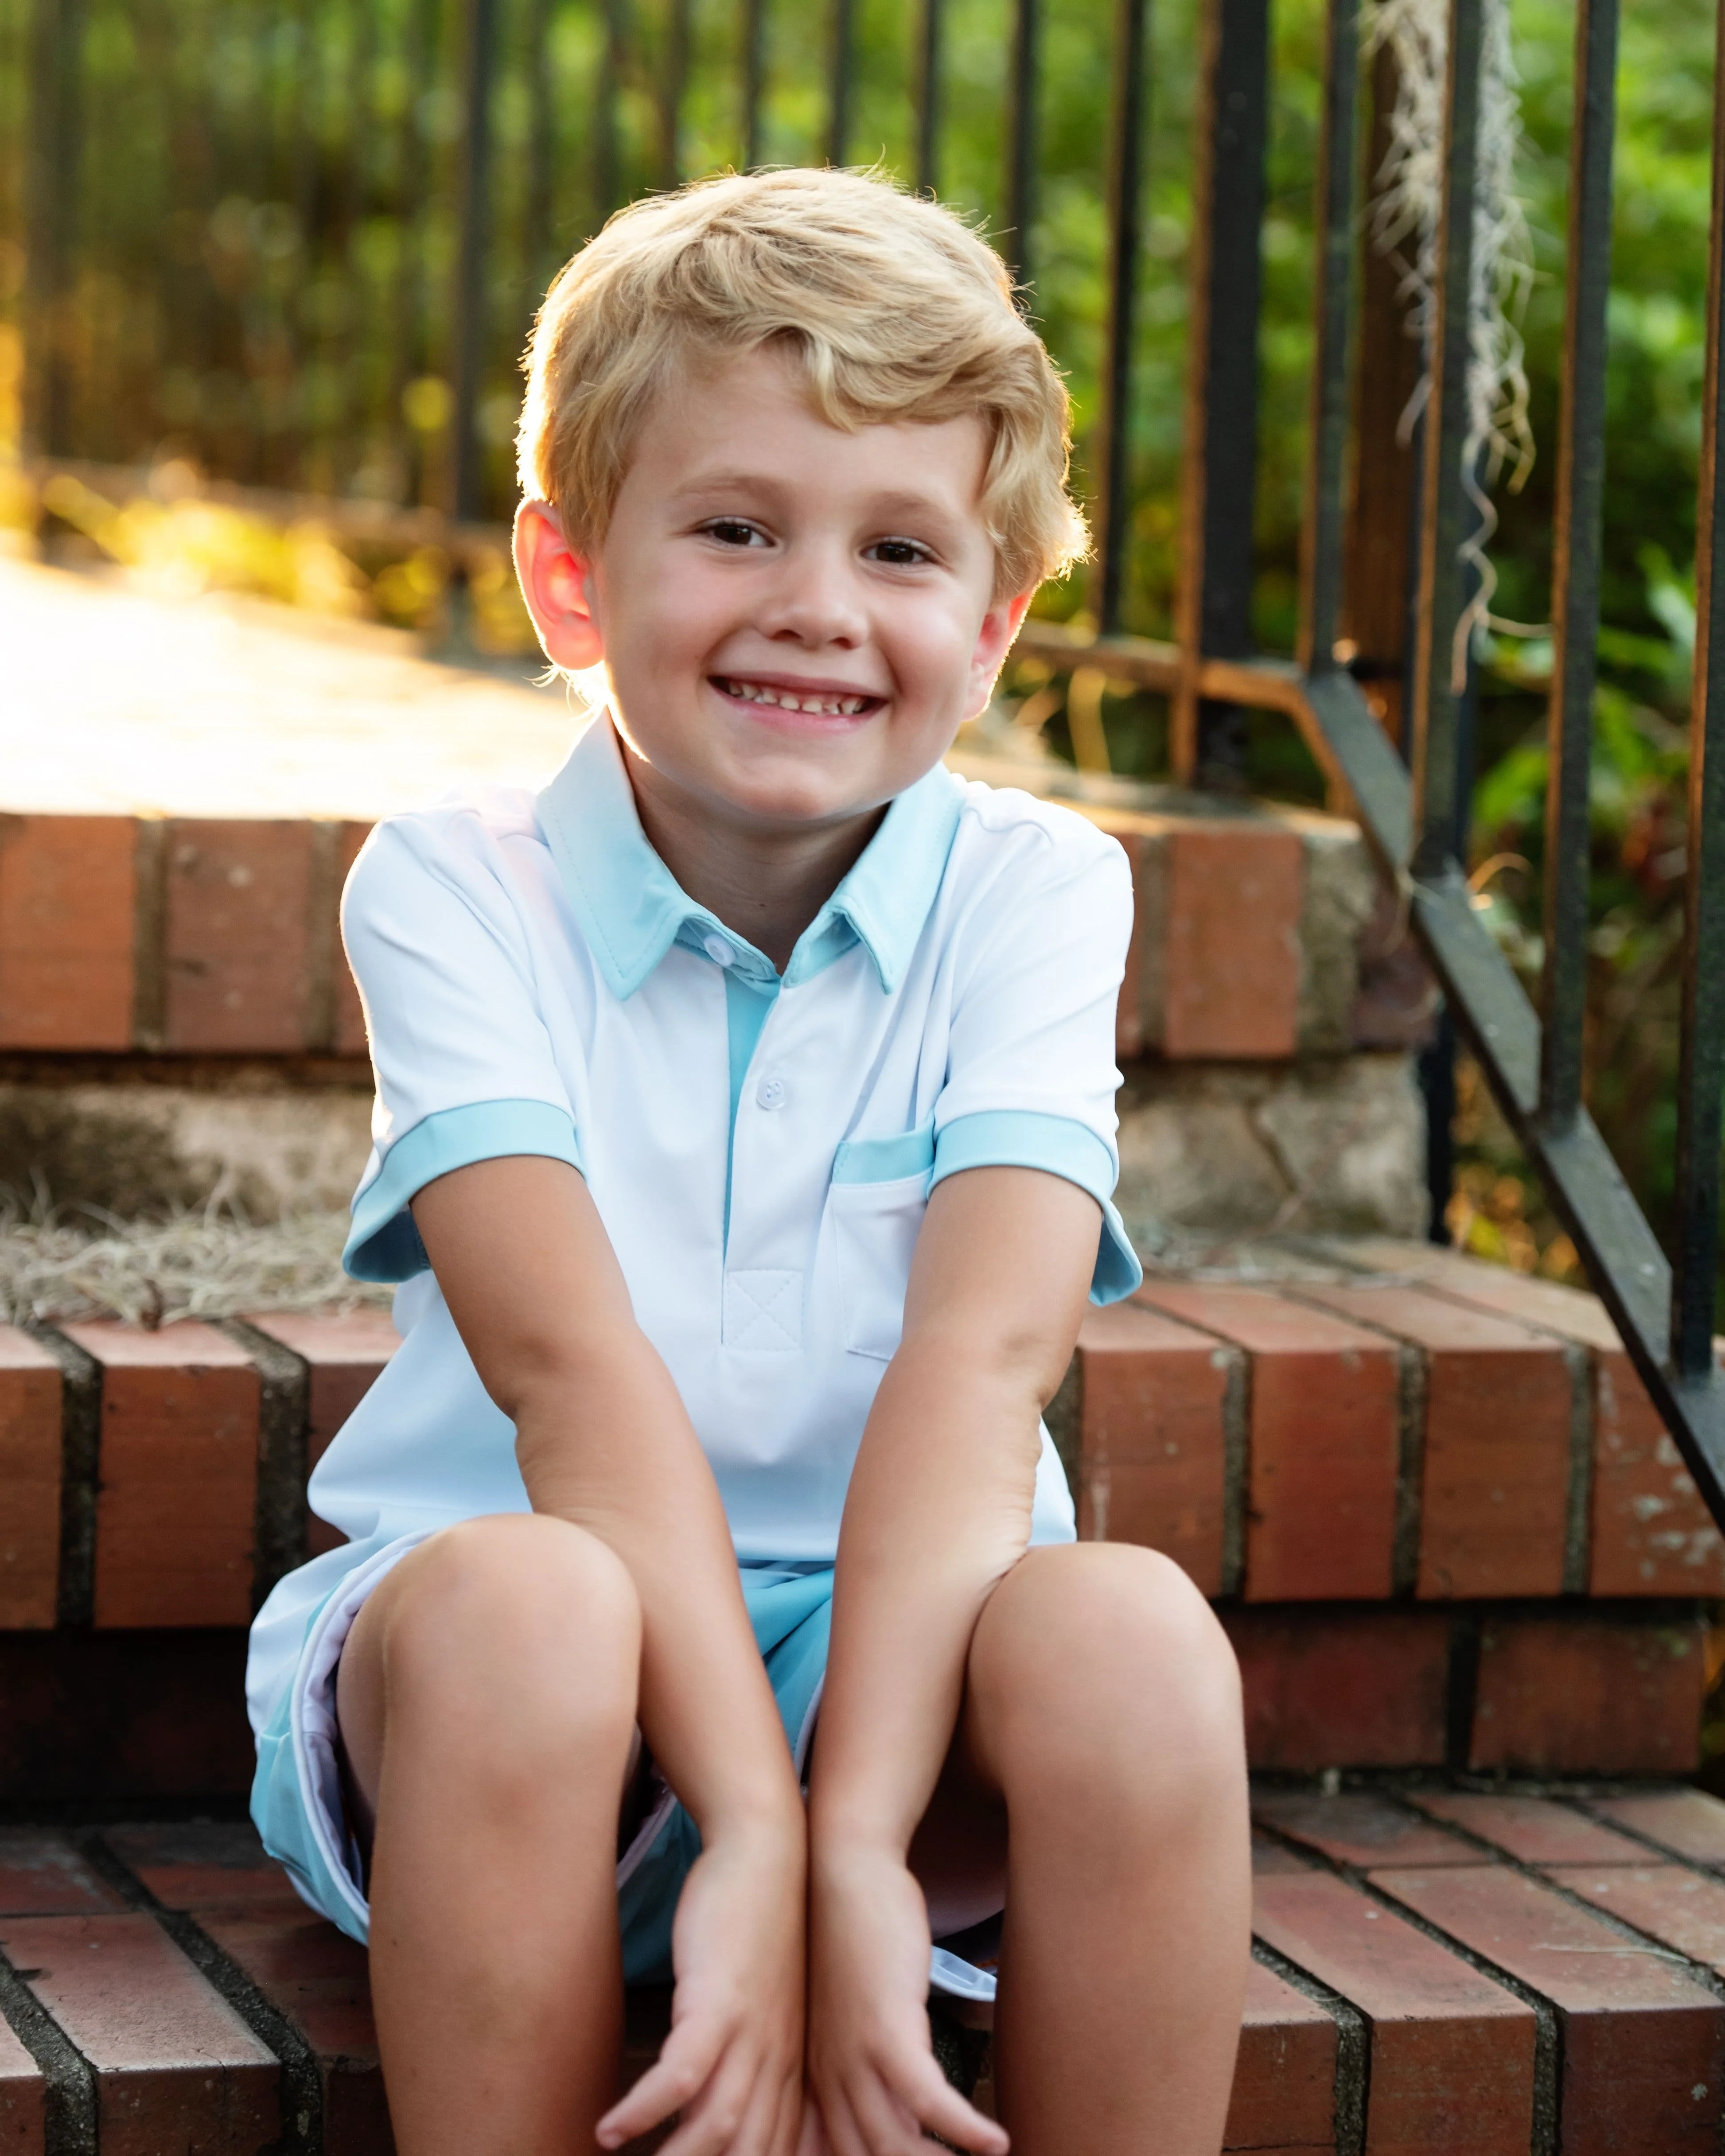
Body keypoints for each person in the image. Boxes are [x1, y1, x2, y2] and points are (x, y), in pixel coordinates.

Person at [246, 165, 1249, 2156]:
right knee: (536, 1610)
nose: (817, 603)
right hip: (517, 1703)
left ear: (991, 626)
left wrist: (846, 1839)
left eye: (900, 547)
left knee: (1133, 1636)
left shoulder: (1040, 889)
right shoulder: (455, 886)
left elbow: (985, 1365)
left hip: (898, 1678)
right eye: (734, 526)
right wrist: (753, 1832)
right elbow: (563, 1375)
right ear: (571, 581)